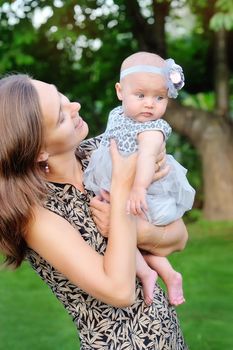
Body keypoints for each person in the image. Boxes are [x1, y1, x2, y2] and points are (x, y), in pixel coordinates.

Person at [0, 73, 188, 350]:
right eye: (61, 116)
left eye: (61, 96)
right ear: (39, 151)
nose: (74, 106)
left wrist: (135, 230)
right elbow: (119, 291)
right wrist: (123, 186)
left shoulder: (99, 152)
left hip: (168, 336)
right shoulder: (35, 214)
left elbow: (179, 236)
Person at [84, 51, 195, 306]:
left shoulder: (152, 129)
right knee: (119, 232)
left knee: (122, 230)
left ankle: (163, 274)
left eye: (160, 97)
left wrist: (138, 189)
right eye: (141, 95)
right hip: (118, 186)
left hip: (145, 191)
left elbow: (146, 159)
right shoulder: (118, 115)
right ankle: (153, 273)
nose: (150, 104)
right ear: (120, 91)